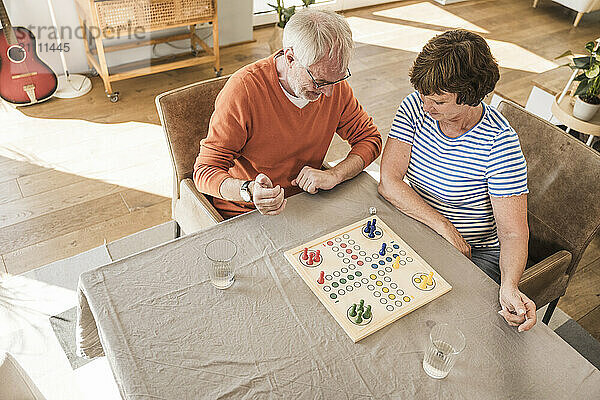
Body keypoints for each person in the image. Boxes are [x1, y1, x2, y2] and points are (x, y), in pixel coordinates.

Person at [378, 29, 536, 332]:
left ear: (471, 96)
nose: (426, 106)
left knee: (443, 322)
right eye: (424, 95)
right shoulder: (416, 106)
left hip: (475, 250)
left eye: (438, 100)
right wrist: (445, 228)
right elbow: (389, 181)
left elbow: (513, 233)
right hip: (426, 226)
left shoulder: (500, 144)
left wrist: (510, 286)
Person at [194, 9, 381, 219]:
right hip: (246, 211)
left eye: (337, 79)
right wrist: (248, 190)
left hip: (306, 202)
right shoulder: (243, 90)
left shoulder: (335, 86)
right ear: (290, 58)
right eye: (320, 82)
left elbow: (369, 139)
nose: (329, 92)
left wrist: (335, 175)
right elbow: (204, 172)